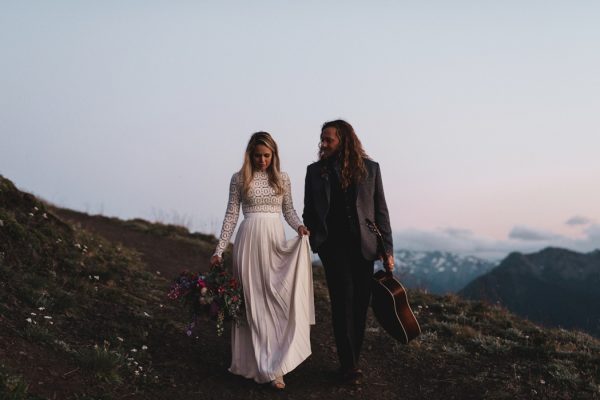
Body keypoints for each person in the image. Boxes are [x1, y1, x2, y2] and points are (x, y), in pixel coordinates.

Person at [210, 131, 314, 390]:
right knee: (251, 303)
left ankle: (277, 365)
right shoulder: (239, 178)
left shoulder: (283, 178)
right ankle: (251, 364)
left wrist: (299, 227)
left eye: (267, 155)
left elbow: (288, 210)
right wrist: (219, 250)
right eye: (257, 155)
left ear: (274, 155)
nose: (262, 160)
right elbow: (231, 215)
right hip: (248, 242)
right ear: (250, 154)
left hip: (274, 242)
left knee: (275, 301)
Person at [302, 119, 394, 385]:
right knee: (343, 301)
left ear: (344, 139)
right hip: (332, 247)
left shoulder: (370, 169)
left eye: (328, 139)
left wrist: (387, 248)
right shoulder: (315, 171)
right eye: (322, 139)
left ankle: (353, 358)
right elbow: (309, 208)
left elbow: (381, 211)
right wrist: (314, 239)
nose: (323, 143)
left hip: (365, 247)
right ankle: (349, 365)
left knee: (360, 303)